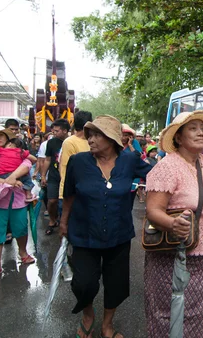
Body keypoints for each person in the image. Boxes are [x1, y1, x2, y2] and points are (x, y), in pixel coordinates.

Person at [144, 110, 203, 337]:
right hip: (179, 259)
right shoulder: (167, 167)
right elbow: (153, 211)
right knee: (176, 316)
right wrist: (171, 224)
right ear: (178, 137)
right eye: (193, 128)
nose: (201, 133)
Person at [60, 115, 152, 338]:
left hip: (118, 233)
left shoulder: (129, 160)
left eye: (96, 135)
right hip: (83, 233)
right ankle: (88, 314)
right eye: (89, 134)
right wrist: (63, 221)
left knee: (116, 283)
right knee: (84, 284)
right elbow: (70, 193)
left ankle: (107, 324)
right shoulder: (79, 162)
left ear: (111, 139)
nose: (90, 139)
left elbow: (157, 176)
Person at [0, 126, 35, 280]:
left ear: (7, 138)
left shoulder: (18, 152)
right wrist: (7, 182)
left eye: (0, 135)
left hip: (17, 198)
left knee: (21, 227)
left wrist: (12, 177)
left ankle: (23, 252)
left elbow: (27, 165)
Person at [41, 119, 71, 235]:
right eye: (53, 131)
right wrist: (43, 175)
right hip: (54, 177)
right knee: (52, 201)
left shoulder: (71, 141)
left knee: (66, 202)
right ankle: (52, 221)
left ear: (64, 131)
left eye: (56, 131)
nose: (53, 133)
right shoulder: (51, 143)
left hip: (67, 177)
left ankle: (65, 223)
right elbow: (48, 159)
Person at [59, 111, 93, 201]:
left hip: (89, 192)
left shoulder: (93, 141)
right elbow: (66, 168)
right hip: (71, 193)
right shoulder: (70, 142)